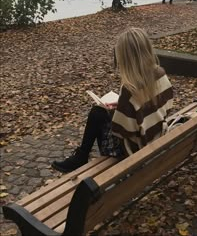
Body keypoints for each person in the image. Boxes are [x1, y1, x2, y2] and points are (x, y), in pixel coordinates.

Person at [52, 28, 174, 173]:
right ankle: (81, 156)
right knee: (99, 112)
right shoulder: (160, 74)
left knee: (97, 113)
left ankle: (81, 156)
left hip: (135, 149)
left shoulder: (130, 89)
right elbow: (166, 106)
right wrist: (122, 106)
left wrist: (114, 111)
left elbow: (120, 130)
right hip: (158, 133)